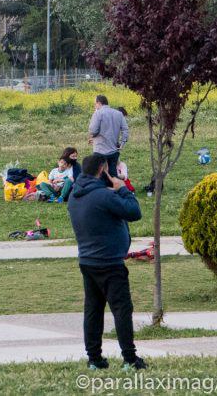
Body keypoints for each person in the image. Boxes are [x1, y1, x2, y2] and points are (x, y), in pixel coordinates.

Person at [67, 153, 147, 371]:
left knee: (93, 310)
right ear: (102, 170)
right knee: (122, 309)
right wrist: (122, 188)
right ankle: (130, 359)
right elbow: (134, 212)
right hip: (110, 263)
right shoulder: (104, 195)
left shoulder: (75, 195)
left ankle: (94, 359)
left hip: (88, 261)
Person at [88, 95, 129, 174]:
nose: (94, 106)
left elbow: (93, 131)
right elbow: (125, 130)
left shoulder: (97, 113)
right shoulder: (119, 114)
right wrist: (122, 143)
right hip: (114, 150)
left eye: (95, 103)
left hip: (100, 150)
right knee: (113, 174)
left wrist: (94, 136)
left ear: (99, 103)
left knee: (99, 174)